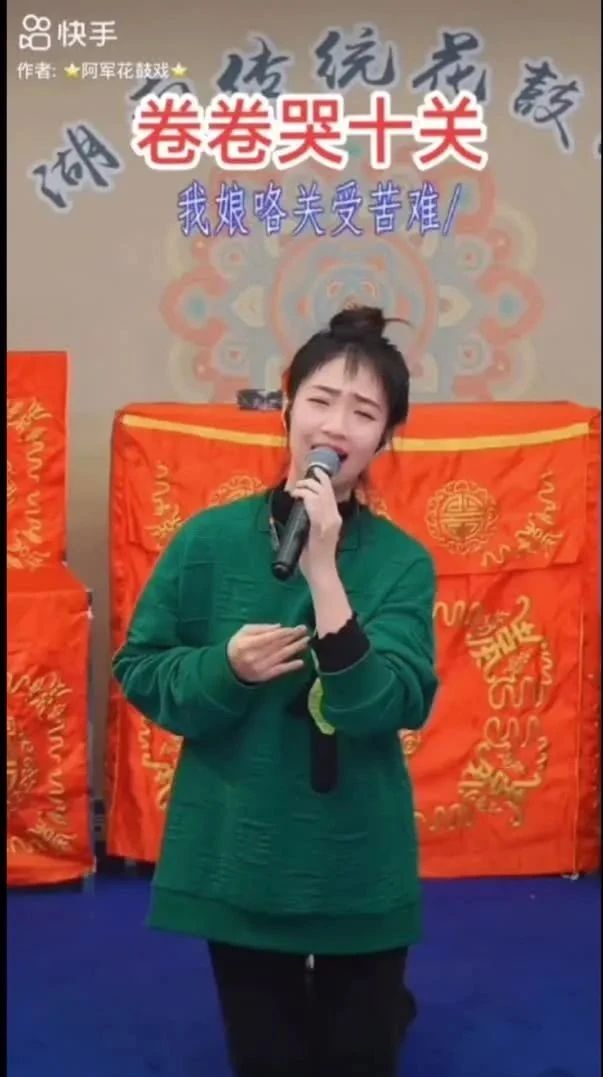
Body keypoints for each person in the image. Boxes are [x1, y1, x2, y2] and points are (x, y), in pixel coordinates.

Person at [112, 304, 439, 1077]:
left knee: (357, 1055)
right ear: (286, 407)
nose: (336, 426)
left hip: (356, 846)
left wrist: (324, 571)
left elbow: (390, 702)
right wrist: (223, 666)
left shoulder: (402, 561)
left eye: (364, 412)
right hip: (243, 838)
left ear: (385, 438)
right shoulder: (208, 540)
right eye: (320, 400)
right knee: (270, 1058)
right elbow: (140, 667)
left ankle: (383, 1012)